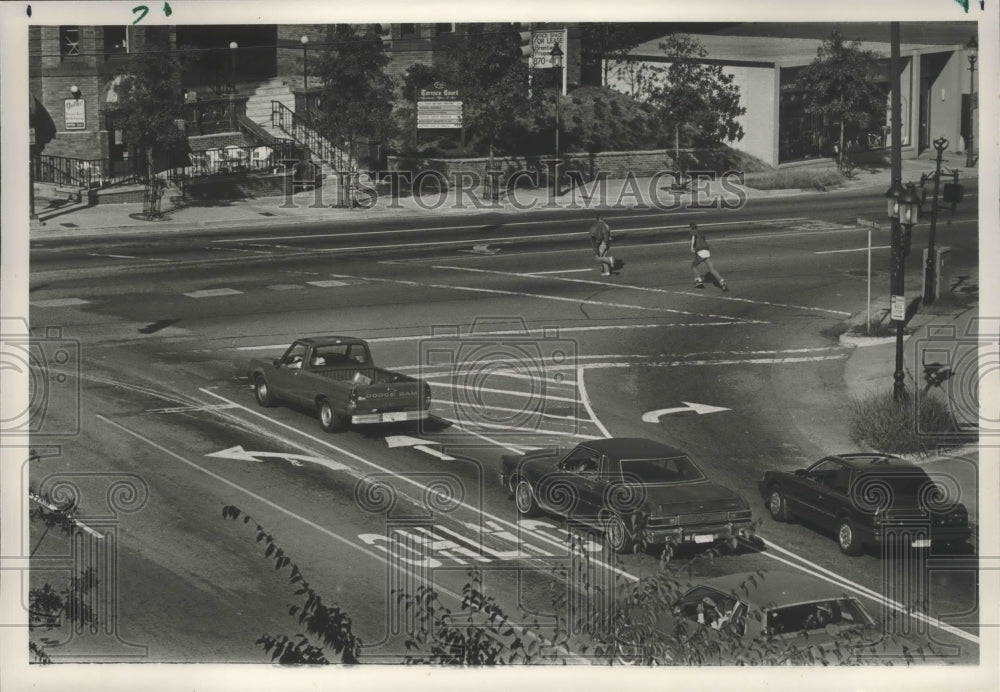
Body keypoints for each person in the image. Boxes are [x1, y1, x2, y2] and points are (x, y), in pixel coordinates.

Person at [689, 222, 728, 291]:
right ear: (697, 226)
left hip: (700, 251)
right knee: (712, 269)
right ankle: (722, 281)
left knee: (693, 266)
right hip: (706, 251)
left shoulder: (693, 232)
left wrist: (692, 247)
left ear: (691, 227)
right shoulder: (700, 232)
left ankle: (698, 281)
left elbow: (693, 237)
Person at [589, 212, 614, 276]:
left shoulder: (601, 225)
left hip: (603, 243)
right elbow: (610, 235)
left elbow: (603, 235)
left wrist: (603, 243)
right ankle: (606, 272)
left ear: (597, 219)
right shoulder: (606, 225)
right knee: (603, 257)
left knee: (598, 258)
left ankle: (609, 260)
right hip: (607, 242)